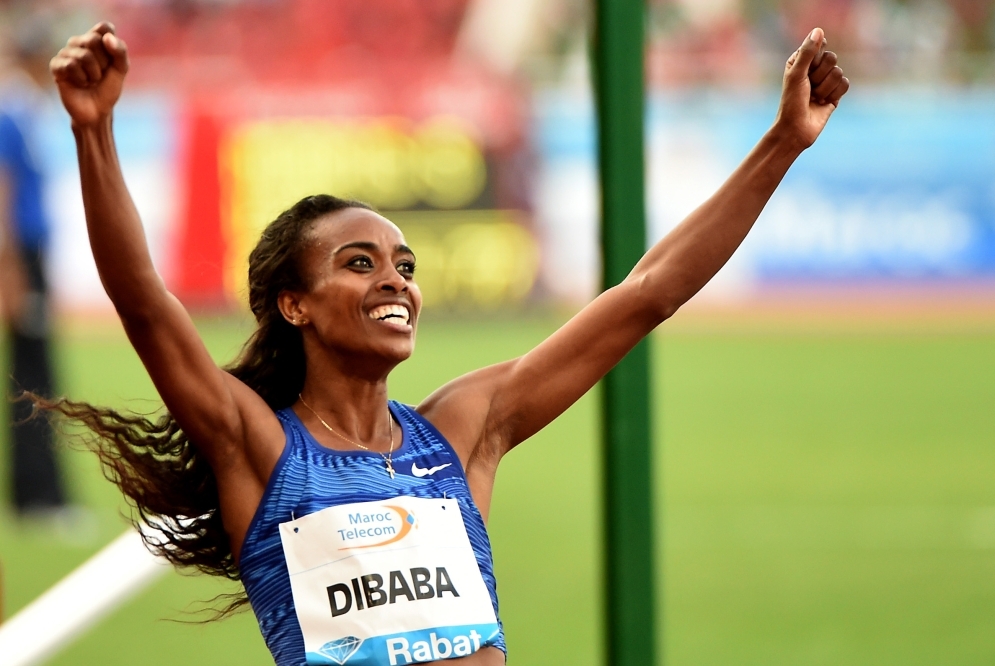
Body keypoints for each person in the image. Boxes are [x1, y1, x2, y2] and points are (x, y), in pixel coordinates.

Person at [46, 21, 848, 666]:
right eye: (359, 265)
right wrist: (95, 132)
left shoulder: (464, 429)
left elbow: (647, 295)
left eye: (405, 265)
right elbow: (147, 306)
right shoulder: (258, 446)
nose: (395, 281)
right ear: (295, 306)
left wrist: (783, 142)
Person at [0, 18, 66, 517]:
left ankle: (35, 494)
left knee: (33, 368)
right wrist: (12, 271)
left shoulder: (23, 108)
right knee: (32, 370)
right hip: (20, 256)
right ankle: (38, 495)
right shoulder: (13, 108)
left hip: (25, 255)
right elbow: (4, 191)